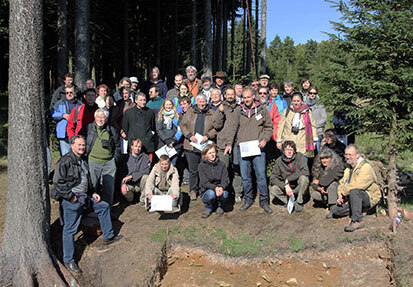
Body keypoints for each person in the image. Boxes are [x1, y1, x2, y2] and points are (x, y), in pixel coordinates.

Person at [52, 135, 122, 274]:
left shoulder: (83, 160)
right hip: (72, 199)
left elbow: (87, 180)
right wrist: (70, 196)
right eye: (79, 145)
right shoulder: (65, 161)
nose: (82, 147)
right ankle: (69, 260)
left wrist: (93, 192)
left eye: (83, 145)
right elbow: (58, 182)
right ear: (72, 146)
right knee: (70, 229)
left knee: (103, 206)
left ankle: (108, 236)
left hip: (85, 197)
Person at [230, 87, 273, 214]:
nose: (246, 99)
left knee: (261, 176)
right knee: (245, 177)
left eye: (248, 97)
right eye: (244, 97)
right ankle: (248, 200)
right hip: (243, 149)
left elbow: (269, 127)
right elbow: (233, 128)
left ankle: (264, 201)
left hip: (258, 148)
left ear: (253, 97)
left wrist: (265, 139)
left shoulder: (262, 109)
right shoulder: (239, 110)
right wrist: (229, 144)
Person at [330, 144, 381, 232]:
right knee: (335, 211)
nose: (347, 157)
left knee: (355, 191)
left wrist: (343, 193)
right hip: (353, 198)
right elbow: (342, 183)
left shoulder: (366, 167)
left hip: (368, 197)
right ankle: (359, 210)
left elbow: (358, 185)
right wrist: (340, 195)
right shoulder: (348, 169)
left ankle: (357, 220)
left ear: (357, 155)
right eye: (346, 154)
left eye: (350, 154)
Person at [79, 109, 120, 205]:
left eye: (103, 117)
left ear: (106, 119)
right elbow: (79, 141)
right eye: (98, 117)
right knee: (93, 185)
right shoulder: (88, 128)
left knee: (109, 187)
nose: (100, 119)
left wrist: (115, 159)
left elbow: (118, 146)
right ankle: (92, 207)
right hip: (93, 161)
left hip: (109, 162)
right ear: (95, 118)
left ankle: (107, 207)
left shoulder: (112, 130)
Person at [180, 94, 217, 201]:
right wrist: (189, 136)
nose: (201, 104)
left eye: (203, 101)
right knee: (193, 170)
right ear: (196, 102)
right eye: (200, 101)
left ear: (206, 102)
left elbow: (216, 128)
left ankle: (204, 189)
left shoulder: (211, 113)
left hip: (205, 147)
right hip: (191, 146)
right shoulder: (190, 112)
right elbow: (182, 125)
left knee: (204, 170)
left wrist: (208, 135)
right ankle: (193, 190)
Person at [213, 88, 243, 203]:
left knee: (237, 169)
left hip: (236, 144)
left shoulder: (239, 109)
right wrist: (220, 112)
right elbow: (216, 125)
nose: (230, 96)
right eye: (228, 94)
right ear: (224, 95)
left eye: (232, 94)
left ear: (235, 95)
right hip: (222, 144)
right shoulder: (221, 108)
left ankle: (237, 193)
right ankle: (223, 192)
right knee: (223, 169)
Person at [269, 140, 310, 212]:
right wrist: (285, 185)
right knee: (273, 189)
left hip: (298, 185)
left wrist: (289, 179)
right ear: (283, 151)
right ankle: (288, 201)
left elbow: (305, 171)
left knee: (304, 178)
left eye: (291, 149)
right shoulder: (279, 161)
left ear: (294, 151)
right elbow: (273, 177)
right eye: (287, 149)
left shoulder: (299, 156)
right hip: (287, 188)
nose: (289, 152)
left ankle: (299, 201)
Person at [276, 92, 318, 159]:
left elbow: (313, 126)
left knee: (302, 165)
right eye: (294, 101)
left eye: (298, 101)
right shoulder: (287, 111)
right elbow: (281, 126)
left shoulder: (307, 111)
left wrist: (314, 140)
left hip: (302, 143)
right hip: (288, 143)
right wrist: (279, 140)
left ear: (301, 101)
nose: (296, 103)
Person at [122, 92, 156, 161]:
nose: (143, 102)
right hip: (134, 143)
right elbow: (125, 127)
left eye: (144, 100)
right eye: (141, 100)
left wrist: (150, 135)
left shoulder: (150, 112)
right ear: (136, 101)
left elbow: (152, 126)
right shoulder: (128, 112)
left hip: (147, 143)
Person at [198, 144, 230, 218]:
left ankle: (220, 206)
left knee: (224, 194)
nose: (212, 155)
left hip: (220, 188)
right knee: (211, 194)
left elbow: (225, 180)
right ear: (205, 155)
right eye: (210, 153)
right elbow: (204, 182)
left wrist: (221, 187)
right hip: (207, 190)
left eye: (213, 152)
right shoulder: (201, 166)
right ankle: (209, 207)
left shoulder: (222, 164)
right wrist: (215, 188)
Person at [310, 147, 344, 214]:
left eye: (326, 158)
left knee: (332, 185)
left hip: (337, 192)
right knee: (315, 195)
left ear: (331, 159)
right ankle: (327, 203)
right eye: (322, 158)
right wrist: (319, 188)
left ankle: (333, 207)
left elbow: (325, 181)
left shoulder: (337, 167)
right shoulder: (319, 168)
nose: (324, 160)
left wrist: (319, 182)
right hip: (324, 191)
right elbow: (313, 183)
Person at [52, 84, 83, 156]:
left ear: (74, 93)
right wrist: (62, 115)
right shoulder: (59, 103)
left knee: (77, 155)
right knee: (66, 156)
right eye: (67, 93)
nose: (69, 94)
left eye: (71, 92)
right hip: (64, 134)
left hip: (76, 134)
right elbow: (53, 114)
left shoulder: (79, 104)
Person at [120, 138, 151, 204]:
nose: (137, 148)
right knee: (124, 190)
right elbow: (121, 173)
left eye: (139, 147)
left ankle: (143, 200)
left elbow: (145, 171)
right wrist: (123, 184)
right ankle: (130, 199)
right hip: (129, 184)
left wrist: (131, 176)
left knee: (146, 177)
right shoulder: (125, 158)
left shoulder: (145, 157)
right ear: (131, 147)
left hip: (140, 183)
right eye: (135, 146)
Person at [156, 99, 182, 166]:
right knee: (163, 165)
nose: (168, 106)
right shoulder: (160, 116)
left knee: (173, 165)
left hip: (175, 145)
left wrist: (174, 140)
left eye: (170, 104)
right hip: (163, 144)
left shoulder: (177, 116)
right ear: (164, 106)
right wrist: (166, 140)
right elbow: (159, 130)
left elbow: (180, 129)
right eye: (166, 104)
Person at [306, 86, 327, 152]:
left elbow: (324, 118)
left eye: (314, 93)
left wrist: (314, 125)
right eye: (311, 93)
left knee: (316, 151)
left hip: (317, 132)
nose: (312, 95)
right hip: (306, 132)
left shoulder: (320, 105)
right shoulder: (304, 105)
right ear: (308, 93)